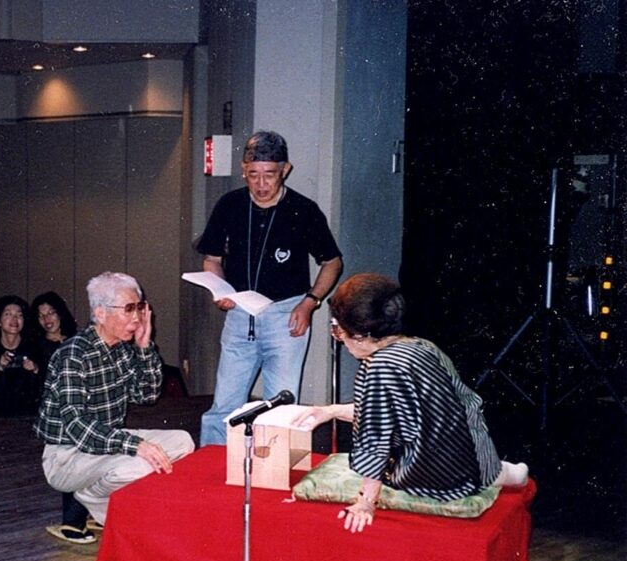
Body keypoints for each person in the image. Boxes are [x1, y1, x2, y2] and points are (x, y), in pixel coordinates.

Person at [295, 273, 529, 533]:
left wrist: (366, 502)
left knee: (390, 460)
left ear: (360, 336)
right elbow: (450, 406)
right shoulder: (421, 347)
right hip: (475, 457)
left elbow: (376, 441)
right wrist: (330, 411)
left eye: (338, 330)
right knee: (495, 470)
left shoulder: (377, 368)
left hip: (435, 477)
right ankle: (506, 473)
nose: (339, 337)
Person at [197, 130, 343, 447]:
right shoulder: (229, 205)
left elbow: (332, 262)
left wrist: (310, 302)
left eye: (270, 175)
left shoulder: (304, 210)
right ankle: (209, 465)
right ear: (243, 171)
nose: (261, 184)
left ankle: (272, 471)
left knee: (281, 407)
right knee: (224, 405)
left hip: (286, 316)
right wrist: (221, 291)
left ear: (285, 170)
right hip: (240, 314)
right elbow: (212, 259)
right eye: (253, 175)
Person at [33, 272, 195, 544]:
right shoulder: (74, 354)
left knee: (183, 441)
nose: (137, 318)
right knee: (141, 463)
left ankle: (93, 497)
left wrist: (144, 347)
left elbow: (147, 395)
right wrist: (135, 445)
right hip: (66, 456)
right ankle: (92, 498)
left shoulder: (122, 349)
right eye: (128, 309)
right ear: (100, 313)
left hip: (104, 445)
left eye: (139, 308)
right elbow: (78, 427)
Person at [30, 291, 96, 542]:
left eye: (51, 312)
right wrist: (35, 371)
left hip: (86, 408)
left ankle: (86, 514)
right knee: (76, 462)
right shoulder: (36, 346)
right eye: (41, 315)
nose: (47, 319)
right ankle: (73, 521)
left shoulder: (77, 340)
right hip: (60, 416)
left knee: (92, 461)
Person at [0, 295, 43, 417]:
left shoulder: (36, 348)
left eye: (19, 315)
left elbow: (39, 389)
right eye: (8, 314)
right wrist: (0, 367)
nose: (14, 319)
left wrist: (35, 370)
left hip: (29, 414)